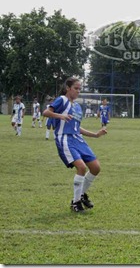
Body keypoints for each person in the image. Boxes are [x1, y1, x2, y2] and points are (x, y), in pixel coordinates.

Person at [43, 77, 107, 213]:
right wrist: (60, 116)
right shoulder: (62, 99)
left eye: (80, 89)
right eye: (76, 88)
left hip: (78, 139)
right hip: (65, 138)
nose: (78, 91)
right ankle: (76, 202)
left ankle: (81, 194)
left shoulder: (77, 107)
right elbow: (46, 112)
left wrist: (95, 134)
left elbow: (77, 128)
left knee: (96, 168)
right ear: (68, 88)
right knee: (82, 168)